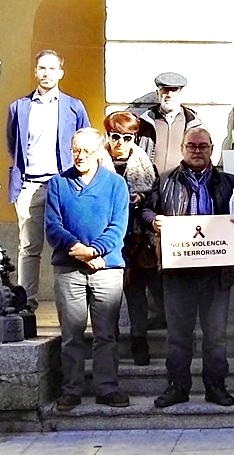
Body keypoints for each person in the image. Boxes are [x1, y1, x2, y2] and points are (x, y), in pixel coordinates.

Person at [143, 127, 234, 409]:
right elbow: (145, 211)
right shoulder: (164, 182)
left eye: (203, 146)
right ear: (182, 148)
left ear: (212, 148)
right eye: (192, 146)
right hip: (179, 271)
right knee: (178, 335)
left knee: (216, 336)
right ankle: (177, 386)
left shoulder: (231, 183)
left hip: (216, 272)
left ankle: (216, 386)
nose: (197, 151)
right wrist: (154, 220)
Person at [44, 128, 130, 412]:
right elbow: (53, 227)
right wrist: (79, 251)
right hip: (69, 269)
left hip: (107, 268)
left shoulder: (116, 184)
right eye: (76, 151)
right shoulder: (58, 184)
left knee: (106, 334)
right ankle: (71, 389)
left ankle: (107, 388)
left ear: (99, 153)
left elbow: (118, 227)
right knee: (72, 334)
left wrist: (94, 251)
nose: (80, 156)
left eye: (87, 151)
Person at [7, 49, 91, 311]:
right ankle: (27, 304)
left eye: (52, 68)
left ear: (61, 73)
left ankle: (75, 306)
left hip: (64, 185)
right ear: (35, 71)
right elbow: (14, 146)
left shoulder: (73, 106)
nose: (46, 73)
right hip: (30, 185)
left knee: (73, 242)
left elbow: (86, 141)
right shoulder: (19, 107)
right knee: (29, 248)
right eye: (42, 68)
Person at [103, 112, 159, 366]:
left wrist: (142, 199)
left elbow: (155, 195)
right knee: (108, 296)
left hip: (136, 239)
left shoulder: (144, 164)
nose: (121, 143)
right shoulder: (98, 163)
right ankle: (108, 344)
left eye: (127, 137)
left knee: (137, 294)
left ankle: (139, 343)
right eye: (115, 136)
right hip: (106, 240)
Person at [137, 72, 205, 174]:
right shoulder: (145, 123)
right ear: (158, 93)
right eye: (165, 90)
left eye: (174, 90)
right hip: (151, 185)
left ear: (182, 94)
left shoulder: (193, 124)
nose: (169, 95)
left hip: (182, 185)